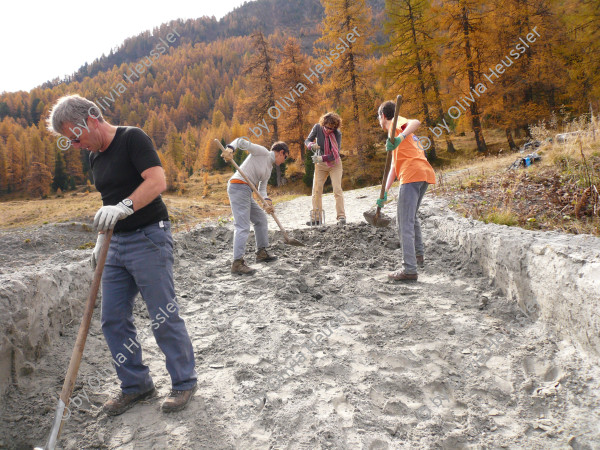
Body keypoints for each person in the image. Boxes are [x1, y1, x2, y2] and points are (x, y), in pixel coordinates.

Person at [47, 94, 197, 415]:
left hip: (149, 237)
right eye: (69, 142)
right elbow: (109, 200)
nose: (75, 146)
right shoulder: (94, 156)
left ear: (91, 119)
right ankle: (136, 385)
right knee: (112, 319)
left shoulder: (132, 138)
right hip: (116, 244)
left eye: (75, 137)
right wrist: (103, 238)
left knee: (162, 314)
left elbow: (157, 181)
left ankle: (184, 382)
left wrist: (125, 206)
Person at [377, 100, 436, 281]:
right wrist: (385, 192)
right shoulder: (394, 135)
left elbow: (416, 122)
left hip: (412, 175)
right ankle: (417, 256)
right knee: (412, 217)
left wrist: (400, 137)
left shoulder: (396, 125)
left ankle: (409, 269)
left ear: (383, 116)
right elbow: (394, 165)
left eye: (378, 118)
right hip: (423, 173)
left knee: (404, 223)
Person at [223, 138, 289, 275]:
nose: (284, 161)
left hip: (247, 190)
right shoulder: (262, 152)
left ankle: (261, 253)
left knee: (260, 219)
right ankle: (237, 263)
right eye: (285, 157)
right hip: (238, 185)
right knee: (243, 226)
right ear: (281, 152)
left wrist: (267, 202)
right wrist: (230, 148)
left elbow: (262, 190)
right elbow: (241, 141)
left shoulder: (269, 169)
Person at [305, 112, 346, 226]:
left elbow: (335, 154)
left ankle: (341, 216)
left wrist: (321, 158)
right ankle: (316, 218)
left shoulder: (337, 134)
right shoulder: (317, 127)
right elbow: (307, 140)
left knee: (337, 189)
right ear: (323, 124)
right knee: (316, 190)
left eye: (331, 128)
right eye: (327, 127)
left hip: (335, 163)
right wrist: (311, 145)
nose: (328, 130)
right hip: (320, 165)